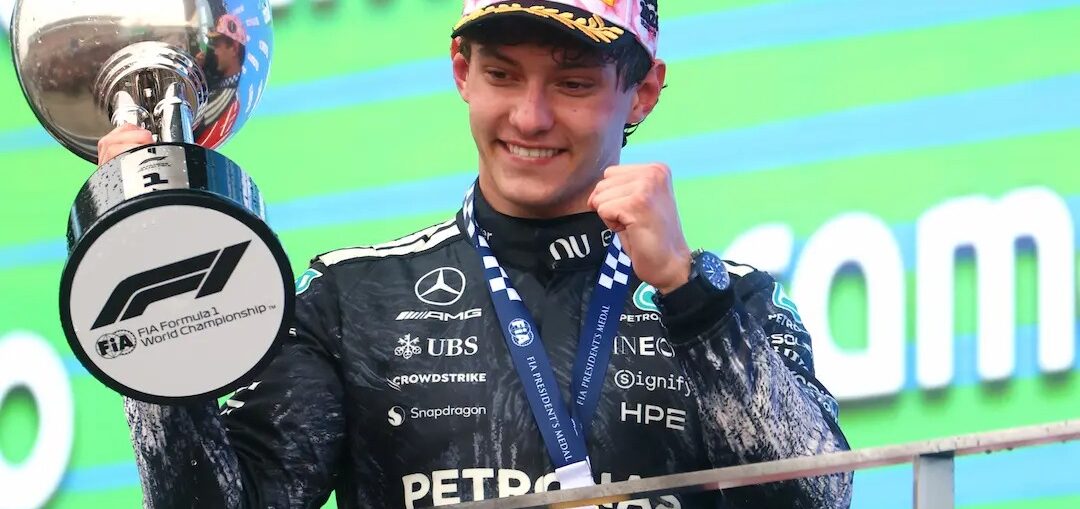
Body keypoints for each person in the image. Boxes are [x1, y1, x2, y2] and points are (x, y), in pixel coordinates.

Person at [101, 1, 854, 508]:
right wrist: (149, 267)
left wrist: (689, 296)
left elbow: (819, 497)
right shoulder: (351, 300)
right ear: (461, 68)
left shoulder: (733, 301)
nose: (530, 116)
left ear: (644, 92)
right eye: (502, 75)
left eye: (573, 83)